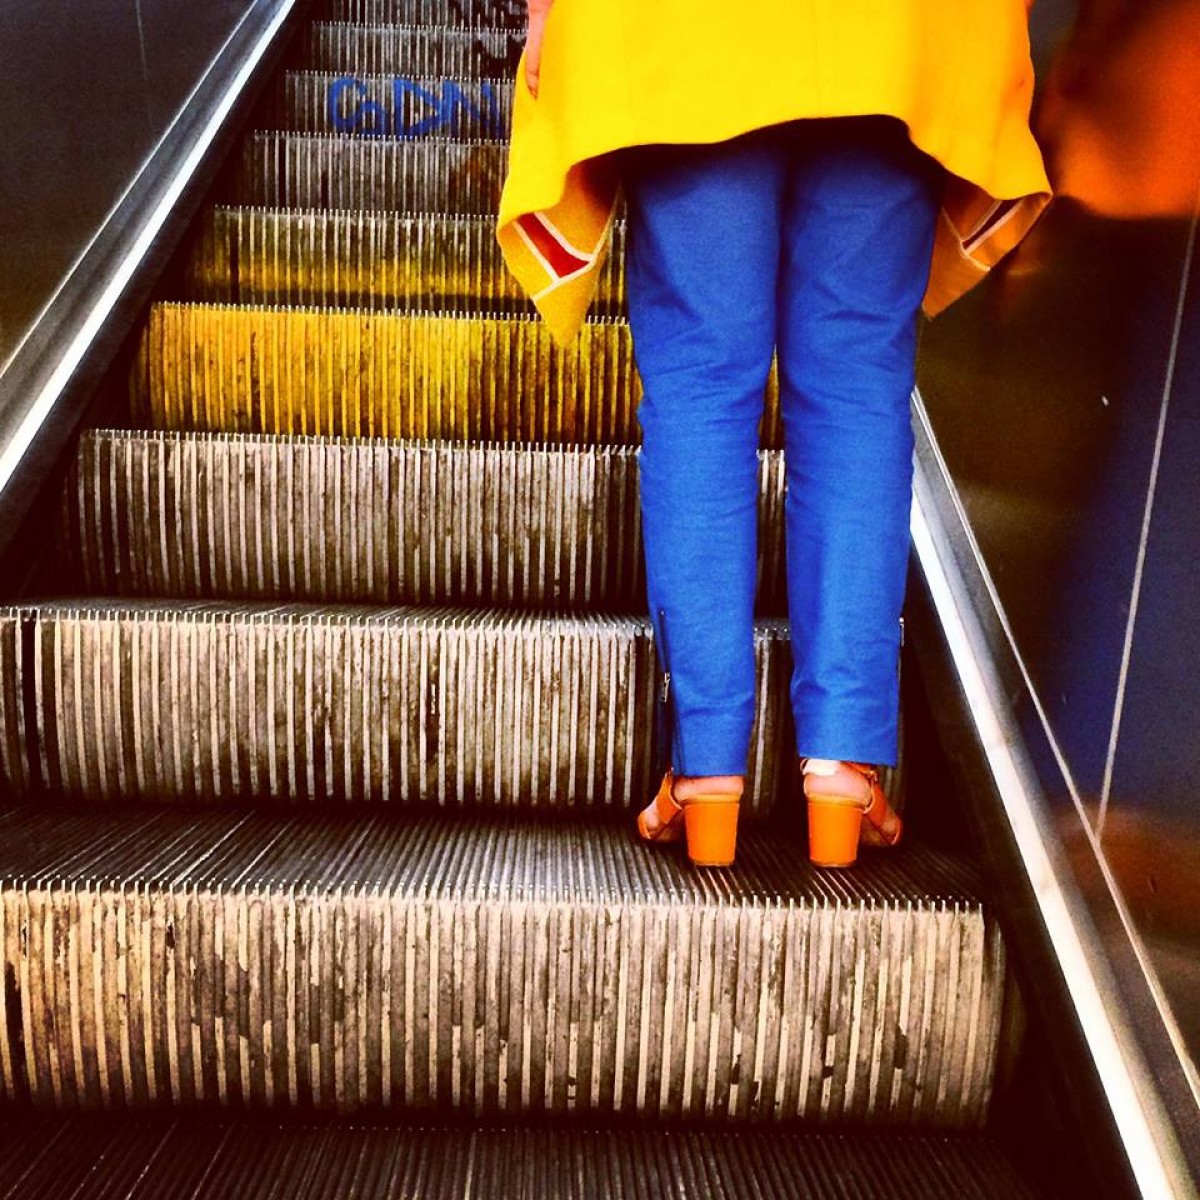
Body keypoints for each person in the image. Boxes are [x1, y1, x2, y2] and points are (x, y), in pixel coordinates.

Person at [498, 0, 1050, 868]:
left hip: (687, 33)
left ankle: (707, 769)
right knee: (857, 386)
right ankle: (842, 768)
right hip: (901, 30)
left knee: (700, 387)